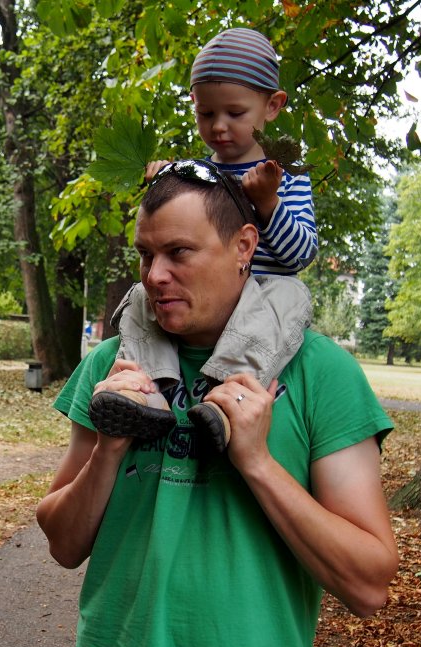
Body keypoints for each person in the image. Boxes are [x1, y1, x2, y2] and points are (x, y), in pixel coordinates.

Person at [36, 167, 397, 647]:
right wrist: (109, 449)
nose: (154, 275)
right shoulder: (114, 365)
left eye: (179, 252)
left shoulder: (321, 373)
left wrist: (257, 462)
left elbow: (369, 585)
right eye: (146, 255)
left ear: (243, 247)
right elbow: (63, 543)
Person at [91, 27, 317, 452]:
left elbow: (300, 254)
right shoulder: (196, 172)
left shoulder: (286, 176)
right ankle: (142, 392)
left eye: (235, 112)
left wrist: (269, 204)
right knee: (140, 298)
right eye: (205, 113)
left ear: (272, 106)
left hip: (263, 296)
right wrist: (164, 180)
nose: (218, 126)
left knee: (292, 296)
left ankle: (230, 401)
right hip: (201, 298)